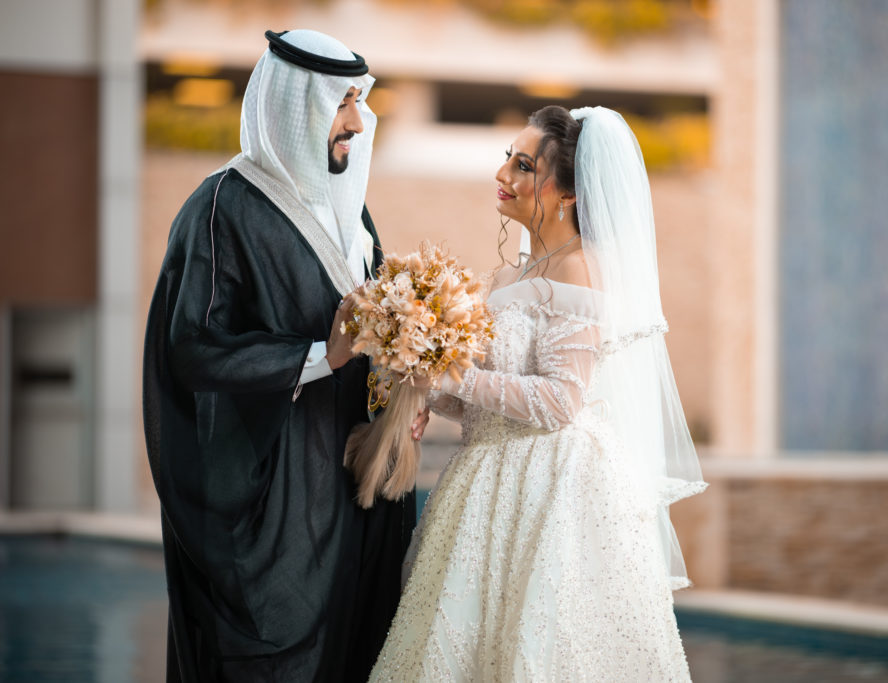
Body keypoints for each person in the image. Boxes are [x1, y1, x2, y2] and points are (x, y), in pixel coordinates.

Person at [369, 105, 707, 681]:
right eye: (508, 159)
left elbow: (559, 402)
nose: (503, 175)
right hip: (485, 481)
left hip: (554, 489)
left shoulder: (580, 269)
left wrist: (454, 378)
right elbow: (482, 393)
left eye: (524, 166)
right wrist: (423, 387)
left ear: (571, 193)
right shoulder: (507, 278)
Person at [142, 30, 418, 681]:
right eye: (341, 102)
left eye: (358, 100)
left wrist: (400, 392)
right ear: (295, 106)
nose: (356, 120)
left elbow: (371, 341)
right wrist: (324, 353)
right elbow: (192, 350)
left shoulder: (353, 216)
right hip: (276, 512)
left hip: (351, 499)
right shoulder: (220, 208)